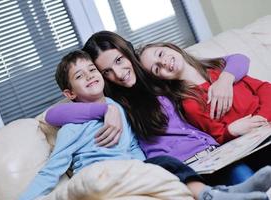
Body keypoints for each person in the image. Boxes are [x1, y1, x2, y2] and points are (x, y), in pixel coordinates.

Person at [19, 50, 270, 200]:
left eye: (91, 70)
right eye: (79, 76)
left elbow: (135, 150)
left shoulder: (123, 105)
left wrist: (110, 108)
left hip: (139, 168)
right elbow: (53, 136)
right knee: (165, 163)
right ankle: (208, 193)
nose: (90, 76)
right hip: (102, 173)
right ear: (70, 93)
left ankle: (229, 193)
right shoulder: (75, 125)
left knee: (163, 164)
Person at [46, 31, 254, 185]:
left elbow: (238, 59)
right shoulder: (113, 101)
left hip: (216, 154)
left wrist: (225, 80)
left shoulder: (157, 71)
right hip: (179, 171)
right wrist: (106, 111)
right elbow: (53, 115)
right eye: (107, 71)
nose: (119, 73)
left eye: (119, 60)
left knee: (245, 176)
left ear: (128, 54)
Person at [137, 41, 271, 172]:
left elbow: (265, 89)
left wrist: (261, 118)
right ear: (160, 79)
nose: (163, 62)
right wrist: (231, 131)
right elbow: (218, 137)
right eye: (157, 68)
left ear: (171, 47)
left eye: (160, 54)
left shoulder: (222, 69)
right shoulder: (190, 103)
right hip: (254, 144)